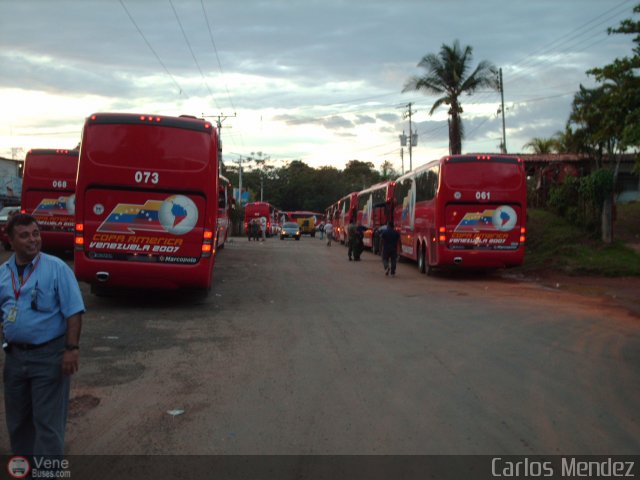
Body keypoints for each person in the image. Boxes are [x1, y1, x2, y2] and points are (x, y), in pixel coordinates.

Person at [1, 214, 85, 456]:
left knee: (47, 424)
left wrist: (71, 349)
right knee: (17, 423)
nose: (32, 240)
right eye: (24, 235)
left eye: (35, 233)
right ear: (10, 240)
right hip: (15, 359)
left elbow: (74, 311)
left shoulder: (57, 268)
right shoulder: (3, 274)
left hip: (49, 357)